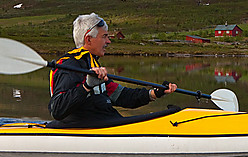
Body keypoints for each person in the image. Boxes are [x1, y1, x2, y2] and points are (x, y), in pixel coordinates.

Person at [48, 13, 177, 125]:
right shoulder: (70, 65)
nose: (109, 41)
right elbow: (57, 109)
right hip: (84, 128)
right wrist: (87, 86)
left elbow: (121, 96)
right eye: (104, 36)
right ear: (88, 39)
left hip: (106, 123)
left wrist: (153, 93)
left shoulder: (92, 65)